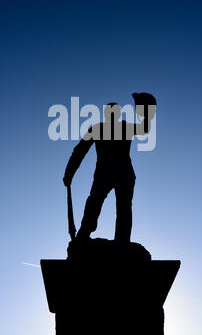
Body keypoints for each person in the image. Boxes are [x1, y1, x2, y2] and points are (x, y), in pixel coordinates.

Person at [63, 95, 156, 243]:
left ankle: (119, 241)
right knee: (98, 203)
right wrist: (69, 173)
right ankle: (85, 235)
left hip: (117, 174)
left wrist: (148, 111)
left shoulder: (111, 127)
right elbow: (79, 151)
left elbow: (144, 129)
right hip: (109, 174)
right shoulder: (101, 128)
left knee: (118, 206)